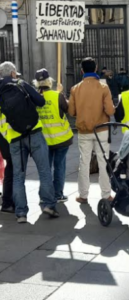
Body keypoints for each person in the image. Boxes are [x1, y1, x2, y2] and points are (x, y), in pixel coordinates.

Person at [0, 62, 59, 223]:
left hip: (14, 138)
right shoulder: (21, 83)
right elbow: (40, 101)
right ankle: (49, 204)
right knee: (44, 170)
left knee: (18, 176)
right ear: (13, 73)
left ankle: (21, 213)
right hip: (34, 132)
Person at [68, 57, 115, 204]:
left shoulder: (75, 88)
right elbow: (110, 110)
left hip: (84, 131)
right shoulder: (103, 87)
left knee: (84, 163)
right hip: (101, 129)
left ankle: (83, 195)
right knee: (103, 161)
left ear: (82, 70)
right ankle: (106, 194)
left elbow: (71, 112)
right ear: (95, 69)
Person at [33, 69, 73, 203]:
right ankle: (57, 194)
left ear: (36, 83)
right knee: (59, 166)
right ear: (49, 81)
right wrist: (61, 92)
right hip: (61, 139)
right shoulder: (57, 96)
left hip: (43, 140)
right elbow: (68, 110)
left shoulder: (33, 97)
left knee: (45, 169)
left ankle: (44, 195)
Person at [0, 133, 14, 213]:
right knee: (10, 170)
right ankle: (7, 203)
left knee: (10, 169)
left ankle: (8, 202)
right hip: (7, 138)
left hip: (6, 138)